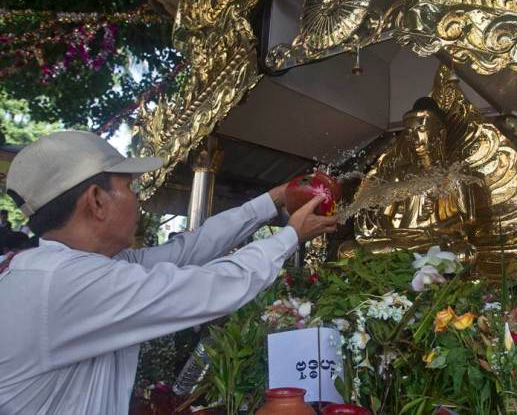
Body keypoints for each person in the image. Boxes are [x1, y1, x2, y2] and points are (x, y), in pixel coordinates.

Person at [0, 131, 337, 414]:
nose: (139, 200)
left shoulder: (70, 269)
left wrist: (274, 199)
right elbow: (210, 288)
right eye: (130, 187)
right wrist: (290, 235)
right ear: (97, 201)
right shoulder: (69, 284)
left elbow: (188, 251)